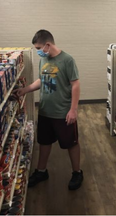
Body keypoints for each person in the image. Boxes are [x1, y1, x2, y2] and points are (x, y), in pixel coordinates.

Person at [15, 30, 83, 190]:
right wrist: (26, 89)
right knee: (44, 142)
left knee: (71, 143)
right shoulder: (43, 60)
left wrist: (73, 109)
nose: (38, 51)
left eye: (38, 47)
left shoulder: (67, 60)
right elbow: (42, 79)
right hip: (45, 111)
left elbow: (75, 84)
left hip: (63, 113)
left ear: (47, 45)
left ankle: (77, 172)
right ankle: (41, 171)